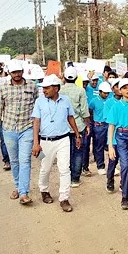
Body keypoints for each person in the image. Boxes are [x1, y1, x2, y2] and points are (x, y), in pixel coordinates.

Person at [0, 60, 39, 204]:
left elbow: (38, 110)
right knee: (14, 161)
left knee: (25, 160)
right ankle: (18, 186)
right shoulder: (2, 88)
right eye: (14, 72)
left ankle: (24, 193)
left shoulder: (32, 86)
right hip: (9, 129)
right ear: (9, 73)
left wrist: (39, 132)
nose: (17, 75)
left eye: (19, 72)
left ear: (23, 72)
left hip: (27, 128)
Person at [31, 75, 82, 213]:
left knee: (65, 169)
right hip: (45, 141)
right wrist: (36, 143)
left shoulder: (65, 100)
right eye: (43, 88)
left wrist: (77, 134)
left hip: (64, 139)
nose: (44, 90)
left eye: (47, 88)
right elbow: (36, 122)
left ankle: (64, 198)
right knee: (45, 168)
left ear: (56, 88)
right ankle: (44, 190)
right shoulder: (39, 102)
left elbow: (70, 117)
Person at [107, 78, 128, 210]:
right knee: (125, 165)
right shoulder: (116, 106)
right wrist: (110, 146)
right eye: (124, 87)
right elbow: (111, 126)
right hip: (121, 136)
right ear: (119, 90)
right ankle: (125, 196)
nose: (127, 89)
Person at [60, 67, 91, 187]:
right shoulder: (80, 91)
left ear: (64, 78)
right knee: (78, 152)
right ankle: (75, 179)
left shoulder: (59, 90)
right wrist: (87, 124)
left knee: (65, 152)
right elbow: (84, 110)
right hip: (79, 126)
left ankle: (65, 177)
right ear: (77, 78)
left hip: (63, 127)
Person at [104, 78, 123, 192]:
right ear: (112, 89)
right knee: (113, 161)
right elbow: (108, 120)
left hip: (126, 137)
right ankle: (110, 180)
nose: (119, 89)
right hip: (115, 136)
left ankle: (123, 182)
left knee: (125, 163)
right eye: (117, 86)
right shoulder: (109, 103)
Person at [89, 82, 112, 176]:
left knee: (111, 145)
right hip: (99, 126)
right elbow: (89, 111)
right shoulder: (94, 101)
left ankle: (112, 166)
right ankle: (100, 166)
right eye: (105, 93)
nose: (106, 94)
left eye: (107, 93)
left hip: (109, 125)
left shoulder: (110, 100)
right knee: (99, 147)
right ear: (100, 92)